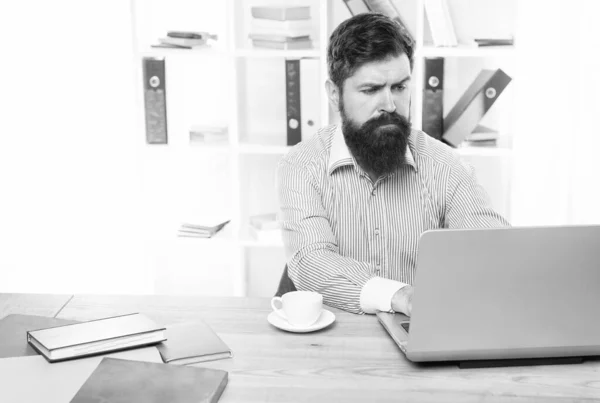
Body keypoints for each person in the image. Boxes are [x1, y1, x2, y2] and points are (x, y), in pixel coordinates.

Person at [276, 13, 509, 317]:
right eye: (371, 89)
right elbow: (310, 261)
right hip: (336, 340)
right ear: (335, 94)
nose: (389, 105)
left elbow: (495, 250)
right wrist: (399, 296)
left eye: (399, 87)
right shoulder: (301, 166)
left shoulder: (444, 165)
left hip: (423, 331)